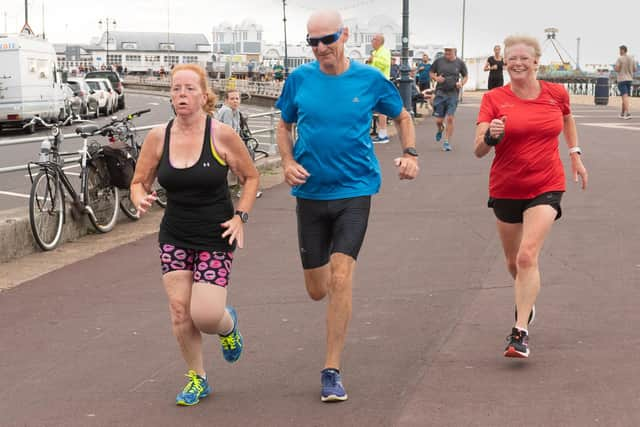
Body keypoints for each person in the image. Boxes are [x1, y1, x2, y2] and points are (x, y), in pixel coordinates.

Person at [275, 9, 419, 402]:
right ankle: (324, 297)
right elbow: (283, 125)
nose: (321, 48)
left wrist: (410, 153)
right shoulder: (299, 80)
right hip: (310, 194)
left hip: (355, 191)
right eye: (313, 42)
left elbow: (403, 116)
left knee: (341, 276)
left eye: (328, 39)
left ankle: (331, 369)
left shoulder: (370, 79)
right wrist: (287, 162)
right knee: (317, 289)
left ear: (345, 35)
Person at [129, 63, 259, 406]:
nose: (181, 95)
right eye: (176, 89)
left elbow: (251, 177)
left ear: (204, 95)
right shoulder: (159, 136)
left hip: (216, 235)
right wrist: (139, 196)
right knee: (179, 311)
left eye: (189, 89)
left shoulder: (220, 135)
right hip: (174, 234)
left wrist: (241, 216)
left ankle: (228, 326)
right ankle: (197, 378)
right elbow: (138, 181)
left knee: (205, 315)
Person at [474, 35, 588, 359]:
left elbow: (567, 118)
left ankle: (519, 332)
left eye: (524, 58)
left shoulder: (556, 93)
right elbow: (478, 150)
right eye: (512, 58)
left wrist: (575, 154)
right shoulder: (494, 98)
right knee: (514, 263)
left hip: (547, 183)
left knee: (527, 256)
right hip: (506, 187)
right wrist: (491, 136)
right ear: (505, 62)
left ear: (537, 62)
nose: (518, 63)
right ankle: (528, 300)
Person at [428, 45, 468, 151]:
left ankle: (446, 142)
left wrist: (461, 83)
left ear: (455, 51)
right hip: (440, 92)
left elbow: (465, 76)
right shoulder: (439, 61)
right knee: (438, 121)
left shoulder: (460, 63)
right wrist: (436, 78)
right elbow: (431, 72)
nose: (447, 53)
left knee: (450, 118)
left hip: (453, 93)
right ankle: (440, 128)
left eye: (449, 51)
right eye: (445, 51)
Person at [368, 33, 392, 144]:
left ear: (379, 41)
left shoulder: (384, 52)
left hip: (381, 83)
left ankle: (383, 134)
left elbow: (385, 64)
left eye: (374, 39)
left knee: (381, 109)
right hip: (374, 83)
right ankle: (379, 132)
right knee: (374, 108)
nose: (372, 41)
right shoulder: (375, 52)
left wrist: (374, 59)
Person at [614, 45, 637, 119]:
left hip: (622, 79)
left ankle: (627, 113)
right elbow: (635, 69)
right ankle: (622, 113)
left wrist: (619, 68)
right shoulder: (632, 58)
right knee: (625, 97)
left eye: (620, 50)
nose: (619, 52)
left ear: (623, 50)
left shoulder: (620, 58)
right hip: (629, 79)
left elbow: (617, 69)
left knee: (624, 96)